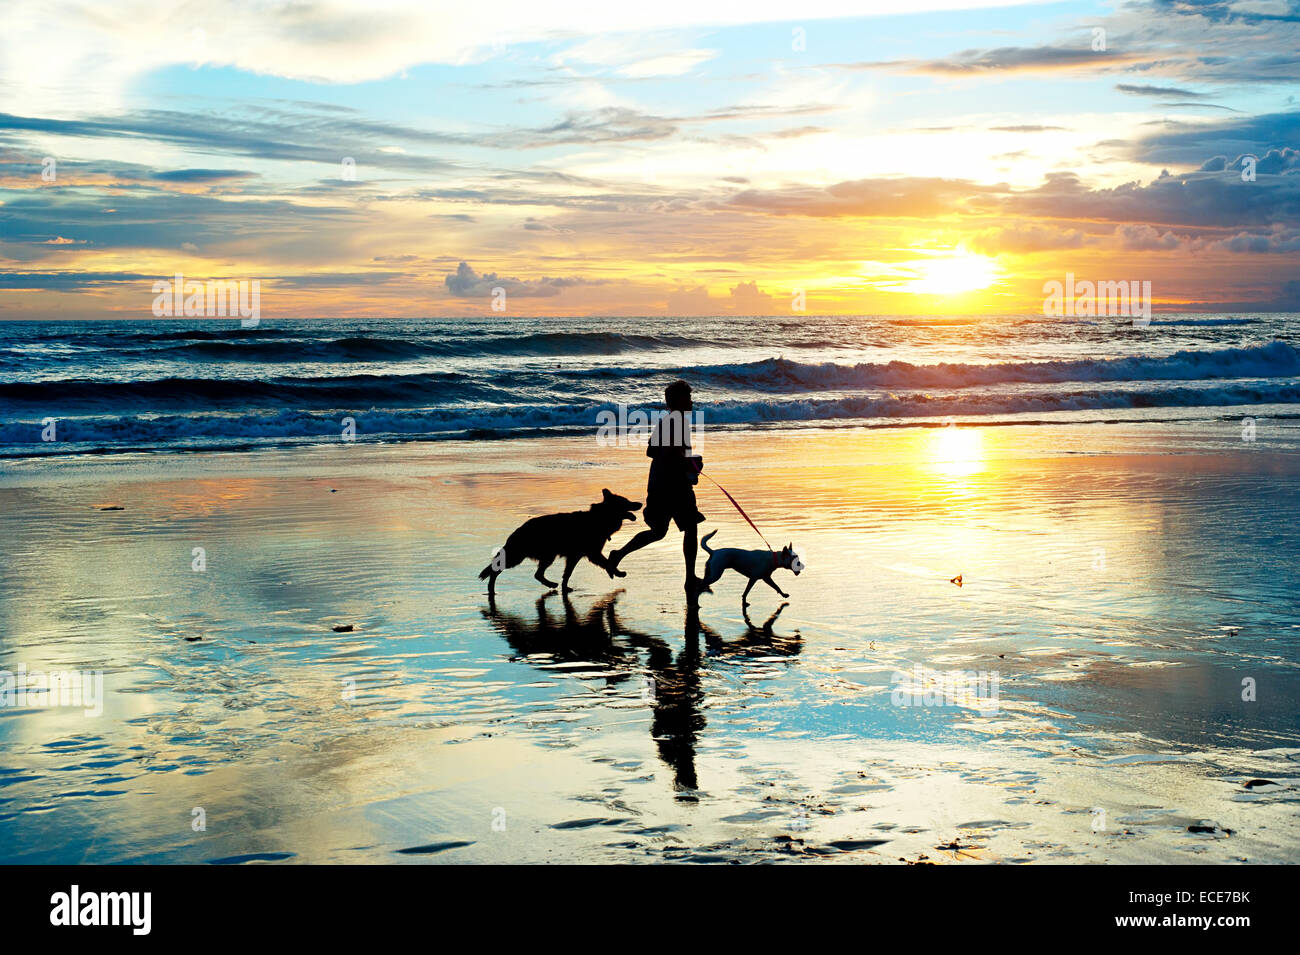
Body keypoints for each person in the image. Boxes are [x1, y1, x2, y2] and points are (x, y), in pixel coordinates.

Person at [607, 379, 704, 595]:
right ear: (677, 400)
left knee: (660, 532)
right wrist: (688, 463)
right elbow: (667, 453)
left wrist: (689, 462)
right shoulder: (675, 422)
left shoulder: (671, 421)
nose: (690, 401)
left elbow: (651, 451)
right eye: (687, 397)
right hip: (672, 485)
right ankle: (690, 579)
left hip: (661, 483)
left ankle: (619, 554)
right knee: (689, 527)